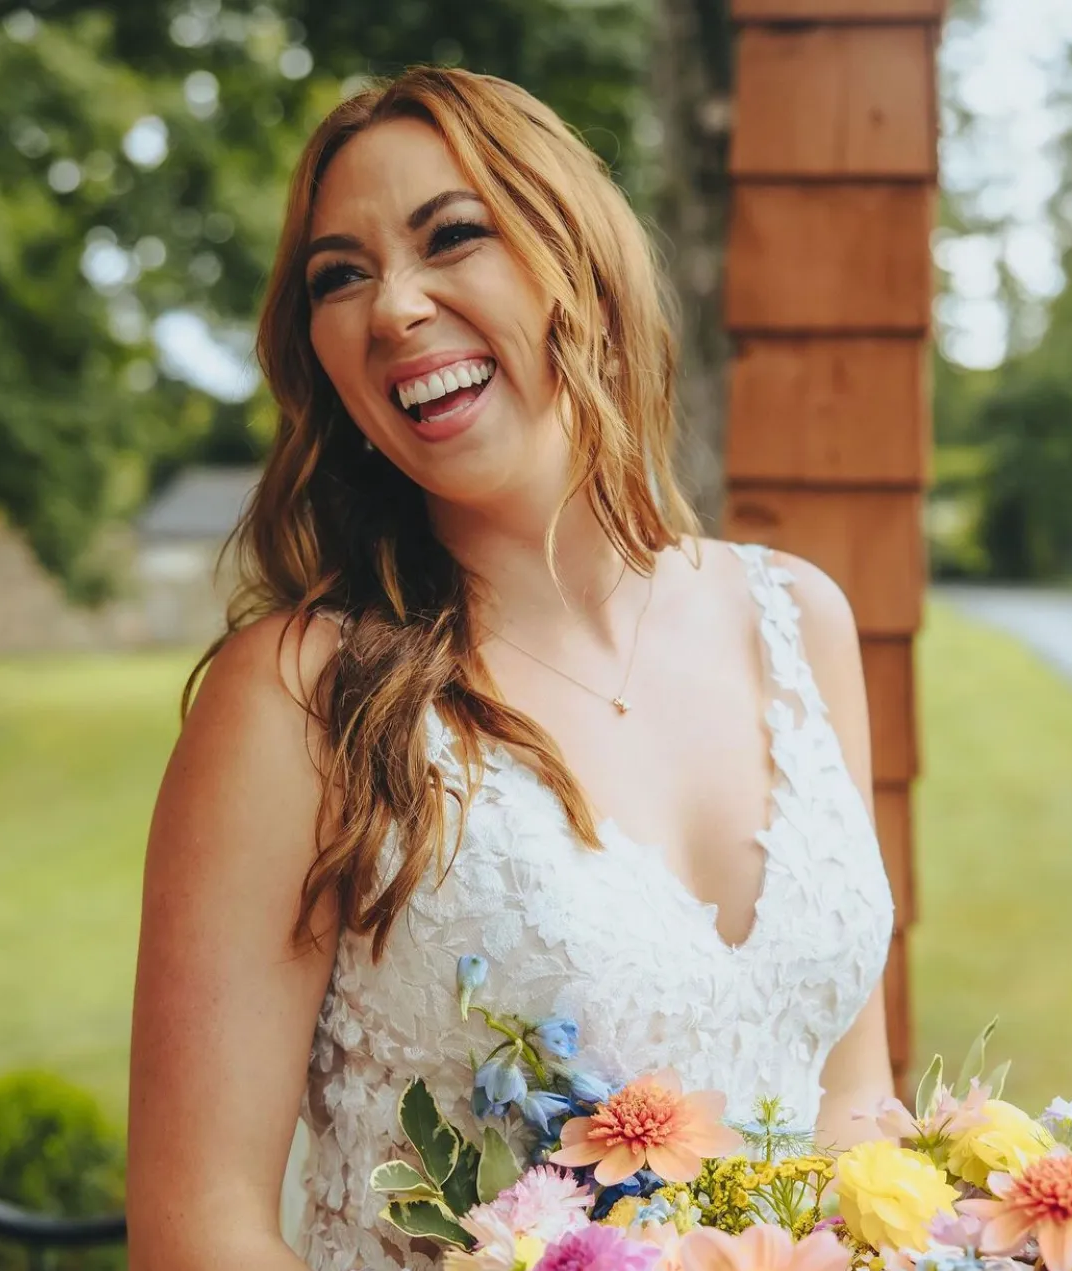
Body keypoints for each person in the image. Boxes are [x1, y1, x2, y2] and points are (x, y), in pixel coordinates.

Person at [125, 65, 896, 1271]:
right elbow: (197, 1229)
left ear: (575, 256)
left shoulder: (800, 620)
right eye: (341, 278)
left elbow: (854, 1104)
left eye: (453, 237)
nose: (393, 310)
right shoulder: (297, 700)